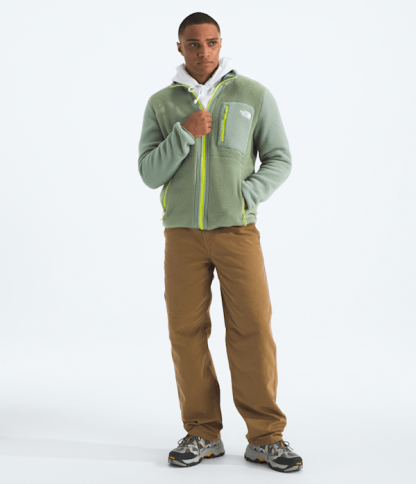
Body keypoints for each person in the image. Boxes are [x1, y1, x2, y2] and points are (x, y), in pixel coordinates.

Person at [138, 11, 303, 473]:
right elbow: (149, 172)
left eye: (211, 42)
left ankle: (266, 437)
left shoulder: (253, 94)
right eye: (193, 44)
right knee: (186, 333)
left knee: (253, 328)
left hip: (237, 231)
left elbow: (279, 158)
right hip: (182, 235)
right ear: (180, 47)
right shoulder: (161, 103)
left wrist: (247, 194)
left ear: (220, 43)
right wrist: (184, 133)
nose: (203, 51)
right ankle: (202, 433)